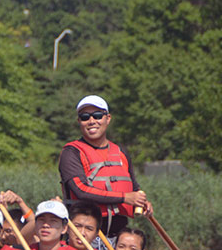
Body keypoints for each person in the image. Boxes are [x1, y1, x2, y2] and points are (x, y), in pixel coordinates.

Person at [59, 95, 152, 241]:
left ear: (107, 118)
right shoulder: (71, 152)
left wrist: (141, 201)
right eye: (85, 117)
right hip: (84, 235)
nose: (91, 121)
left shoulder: (120, 151)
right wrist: (124, 198)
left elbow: (134, 187)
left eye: (97, 115)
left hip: (118, 234)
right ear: (79, 121)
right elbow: (80, 190)